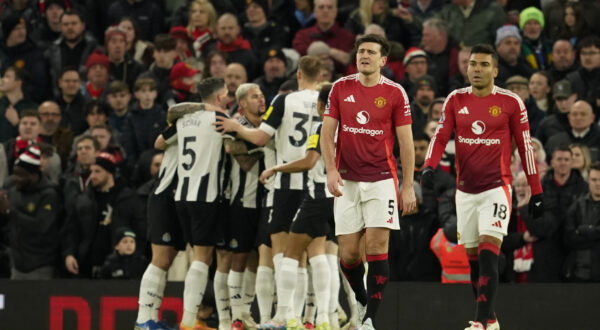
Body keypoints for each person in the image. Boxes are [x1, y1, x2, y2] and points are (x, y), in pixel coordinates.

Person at [421, 44, 543, 330]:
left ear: (495, 70)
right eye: (473, 64)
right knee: (474, 261)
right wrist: (429, 164)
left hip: (496, 188)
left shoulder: (511, 102)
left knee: (490, 252)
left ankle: (478, 322)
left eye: (484, 65)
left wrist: (536, 191)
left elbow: (525, 147)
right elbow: (440, 136)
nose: (477, 69)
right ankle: (490, 320)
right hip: (465, 192)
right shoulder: (455, 99)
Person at [215, 55, 323, 328]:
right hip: (317, 184)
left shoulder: (283, 101)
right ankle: (318, 317)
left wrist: (236, 126)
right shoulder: (328, 103)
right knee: (315, 256)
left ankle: (282, 317)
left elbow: (260, 137)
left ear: (298, 74)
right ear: (320, 76)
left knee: (282, 254)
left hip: (284, 185)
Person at [321, 34, 416, 330]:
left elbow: (406, 142)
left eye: (371, 52)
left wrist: (408, 185)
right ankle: (364, 302)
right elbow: (326, 134)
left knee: (376, 246)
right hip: (346, 181)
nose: (364, 56)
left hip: (381, 180)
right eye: (361, 51)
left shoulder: (395, 93)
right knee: (349, 255)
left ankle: (370, 319)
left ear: (383, 60)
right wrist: (330, 170)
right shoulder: (340, 88)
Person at [258, 82, 337, 329]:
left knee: (291, 254)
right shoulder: (352, 127)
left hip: (317, 195)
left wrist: (276, 167)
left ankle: (288, 318)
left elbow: (309, 160)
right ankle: (325, 318)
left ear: (321, 106)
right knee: (320, 251)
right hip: (342, 197)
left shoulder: (321, 125)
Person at [0, 147, 62, 280]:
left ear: (33, 176)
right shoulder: (12, 189)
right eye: (15, 173)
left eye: (21, 175)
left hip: (40, 264)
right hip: (16, 263)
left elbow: (41, 226)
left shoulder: (49, 194)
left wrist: (10, 211)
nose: (16, 178)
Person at [564, 162, 600, 282]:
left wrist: (583, 230)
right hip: (578, 273)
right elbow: (569, 238)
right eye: (594, 179)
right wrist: (595, 235)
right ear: (588, 180)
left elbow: (576, 235)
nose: (598, 183)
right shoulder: (577, 205)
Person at [0, 66, 38, 143]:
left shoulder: (33, 108)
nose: (2, 80)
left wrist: (17, 123)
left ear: (18, 82)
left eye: (7, 77)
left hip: (24, 152)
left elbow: (38, 136)